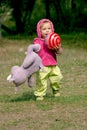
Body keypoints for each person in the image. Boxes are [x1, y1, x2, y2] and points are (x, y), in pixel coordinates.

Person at [33, 18, 63, 100]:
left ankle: (56, 90)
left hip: (53, 64)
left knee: (57, 78)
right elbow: (34, 51)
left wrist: (58, 48)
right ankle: (40, 94)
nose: (47, 31)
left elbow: (59, 52)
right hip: (42, 66)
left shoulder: (53, 40)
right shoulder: (37, 41)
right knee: (41, 81)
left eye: (49, 28)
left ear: (52, 30)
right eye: (44, 29)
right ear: (39, 31)